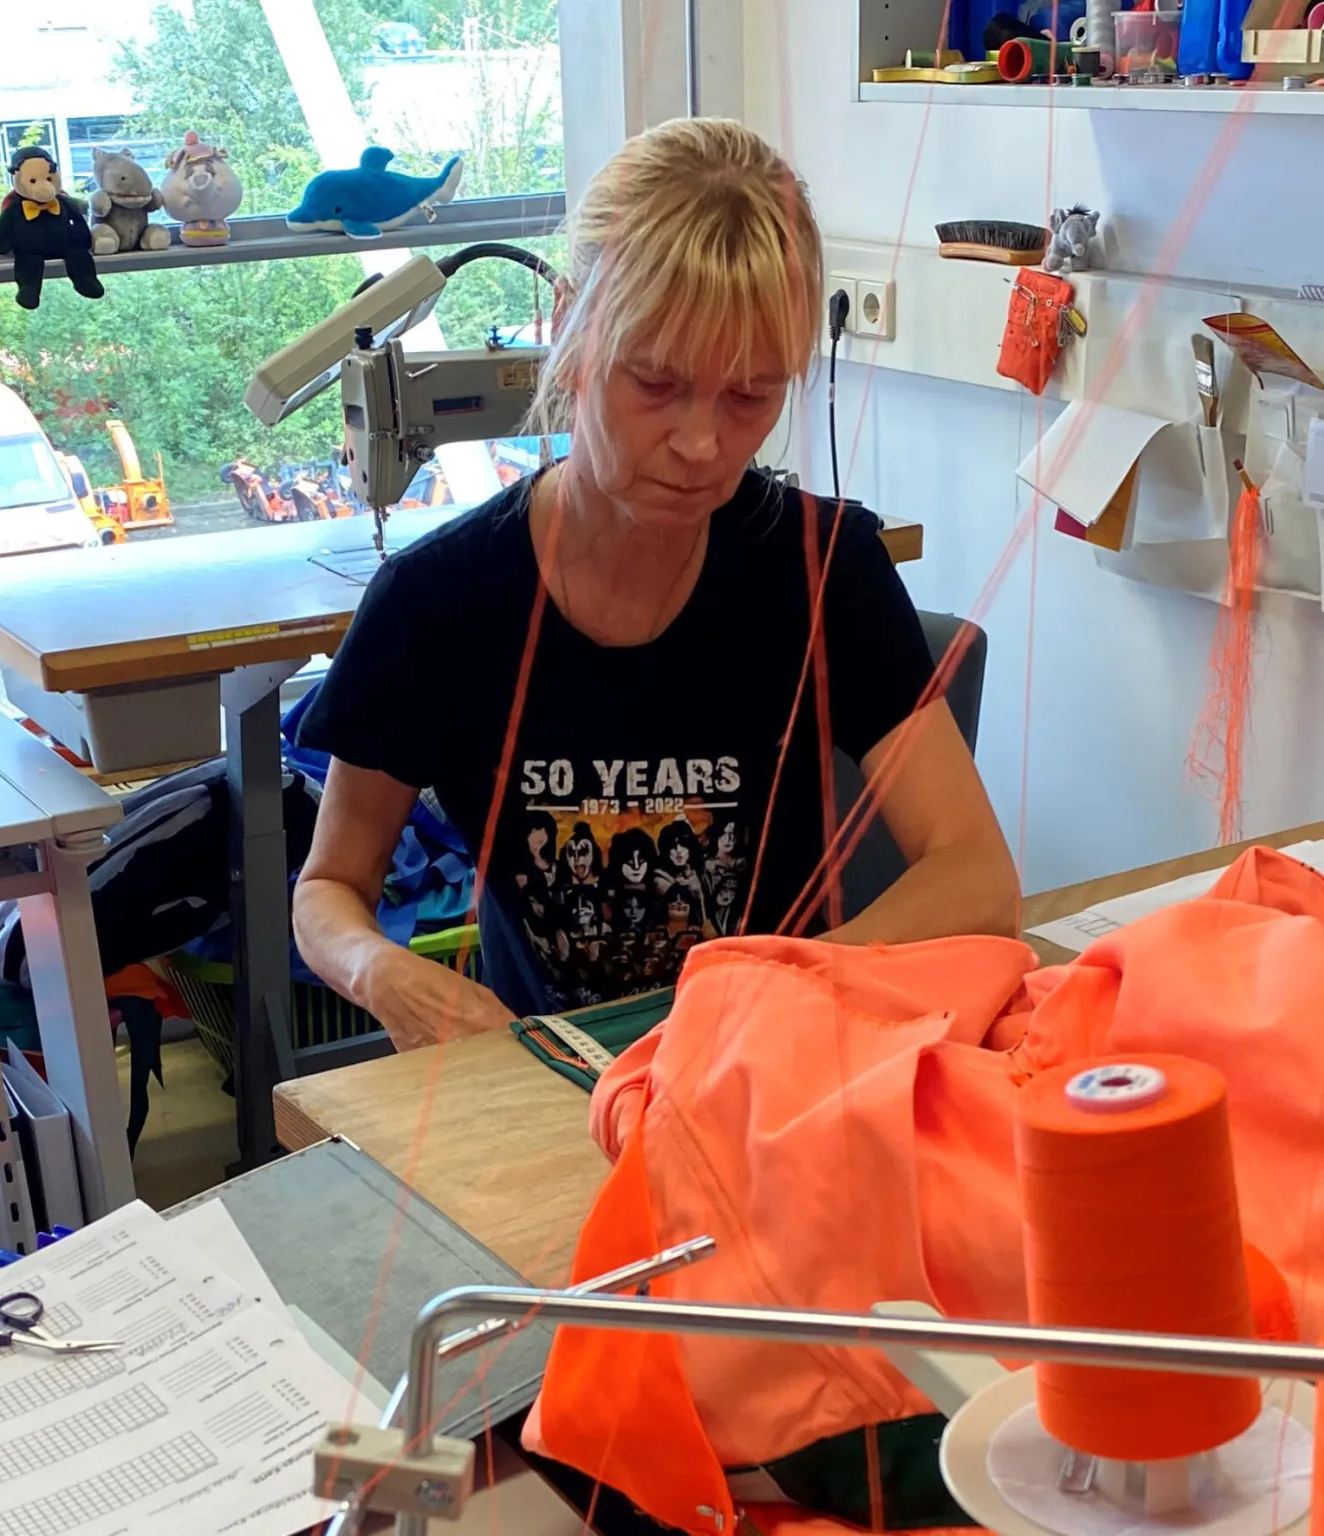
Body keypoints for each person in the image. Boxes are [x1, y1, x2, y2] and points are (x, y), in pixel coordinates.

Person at [293, 119, 1019, 1049]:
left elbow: (977, 876)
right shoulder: (437, 603)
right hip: (550, 1080)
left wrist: (779, 988)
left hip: (768, 1059)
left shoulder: (825, 570)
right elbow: (328, 889)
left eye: (751, 395)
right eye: (656, 383)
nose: (703, 444)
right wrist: (381, 971)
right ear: (570, 328)